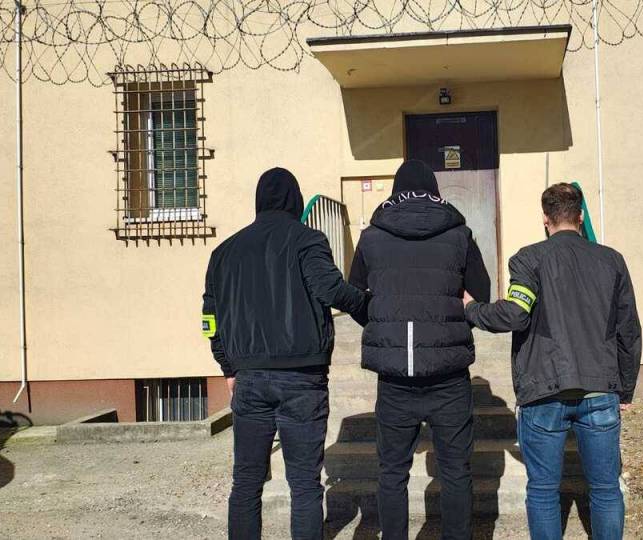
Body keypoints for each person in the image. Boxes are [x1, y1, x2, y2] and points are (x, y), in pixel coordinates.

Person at [463, 182, 642, 540]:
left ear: (545, 218)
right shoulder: (612, 261)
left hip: (543, 391)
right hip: (600, 390)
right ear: (580, 217)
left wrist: (472, 309)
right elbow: (629, 331)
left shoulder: (528, 259)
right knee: (606, 489)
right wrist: (624, 389)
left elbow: (515, 313)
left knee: (543, 491)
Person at [201, 167, 369, 540]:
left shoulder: (224, 252)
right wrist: (373, 310)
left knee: (246, 481)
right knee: (305, 484)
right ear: (296, 200)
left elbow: (210, 320)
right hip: (302, 378)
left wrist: (227, 367)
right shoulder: (307, 240)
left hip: (249, 379)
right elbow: (332, 290)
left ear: (258, 200)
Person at [348, 159, 491, 540]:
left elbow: (354, 296)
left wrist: (385, 326)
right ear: (434, 190)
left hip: (395, 375)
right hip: (449, 375)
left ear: (396, 190)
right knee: (455, 471)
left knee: (392, 472)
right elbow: (482, 294)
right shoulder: (459, 233)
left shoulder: (372, 236)